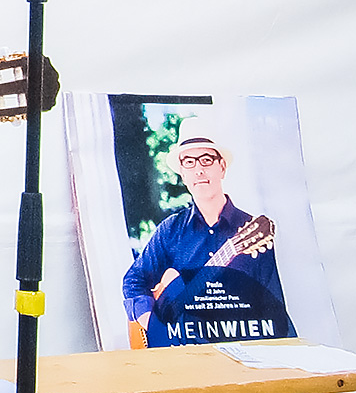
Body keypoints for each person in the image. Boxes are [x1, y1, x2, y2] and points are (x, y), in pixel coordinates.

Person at [122, 115, 293, 345]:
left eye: (206, 160)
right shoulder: (170, 231)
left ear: (222, 167)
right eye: (189, 162)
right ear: (182, 173)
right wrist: (153, 323)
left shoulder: (250, 232)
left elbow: (272, 309)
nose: (199, 171)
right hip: (181, 359)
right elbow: (133, 281)